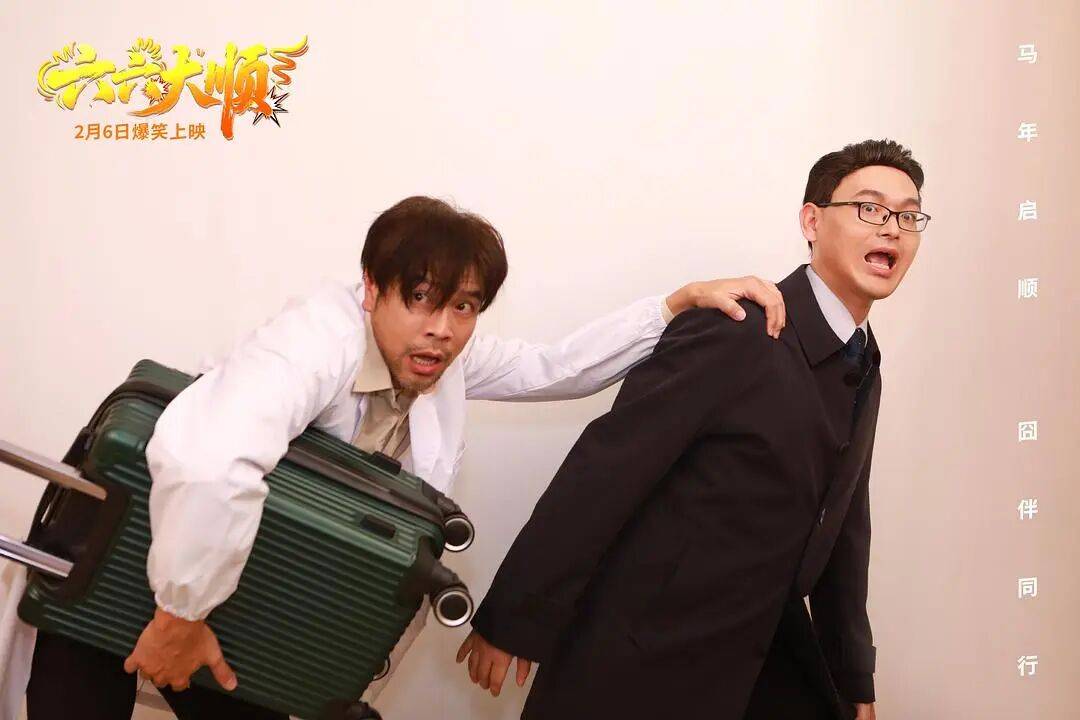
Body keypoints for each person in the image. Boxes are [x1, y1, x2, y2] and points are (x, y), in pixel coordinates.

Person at [14, 195, 788, 719]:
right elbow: (213, 462)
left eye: (465, 306)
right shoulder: (312, 341)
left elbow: (551, 368)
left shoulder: (445, 361)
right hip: (130, 566)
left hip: (230, 603)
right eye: (421, 298)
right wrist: (179, 616)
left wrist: (673, 305)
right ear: (372, 289)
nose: (443, 329)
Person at [458, 139, 929, 720]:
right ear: (812, 221)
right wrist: (514, 618)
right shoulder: (739, 329)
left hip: (758, 669)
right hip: (639, 661)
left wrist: (853, 679)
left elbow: (845, 524)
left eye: (908, 216)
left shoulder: (863, 361)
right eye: (869, 208)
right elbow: (606, 469)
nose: (891, 229)